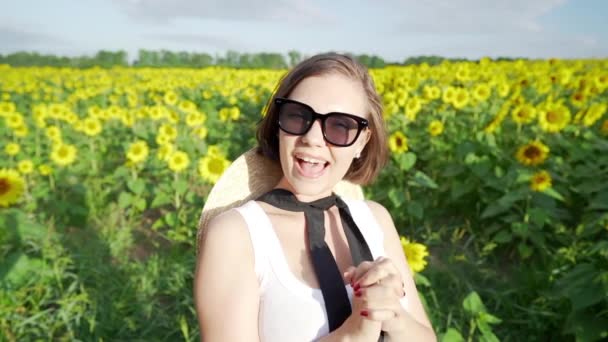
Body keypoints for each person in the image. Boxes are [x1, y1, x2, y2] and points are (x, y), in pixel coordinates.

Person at [194, 52, 436, 341]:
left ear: (362, 141)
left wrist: (393, 317)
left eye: (340, 126)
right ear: (278, 124)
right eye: (298, 116)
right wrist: (352, 334)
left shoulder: (375, 219)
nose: (313, 138)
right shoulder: (237, 234)